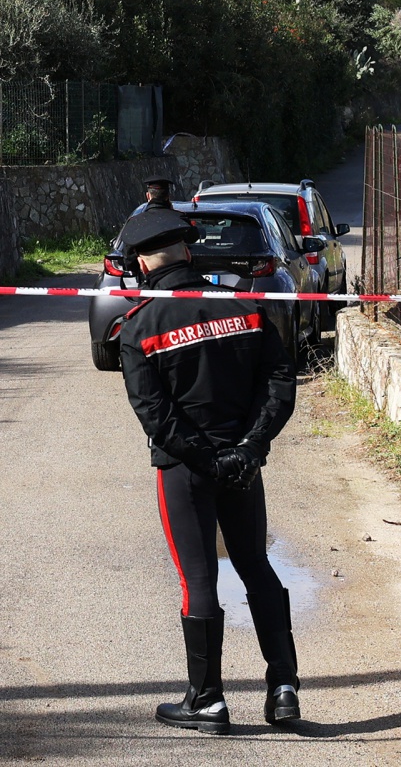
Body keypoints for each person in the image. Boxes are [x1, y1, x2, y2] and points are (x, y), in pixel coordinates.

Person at [118, 209, 299, 736]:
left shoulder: (139, 327)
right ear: (189, 253)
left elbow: (156, 414)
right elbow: (279, 381)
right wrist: (249, 447)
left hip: (186, 472)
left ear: (142, 264)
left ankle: (207, 701)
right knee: (256, 567)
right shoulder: (243, 305)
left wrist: (207, 458)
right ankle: (284, 688)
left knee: (199, 578)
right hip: (243, 466)